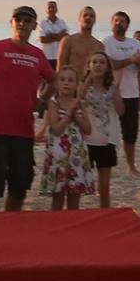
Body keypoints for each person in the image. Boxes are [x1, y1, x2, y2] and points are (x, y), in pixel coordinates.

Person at [0, 6, 55, 212]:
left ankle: (9, 228)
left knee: (19, 187)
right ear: (11, 23)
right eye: (18, 20)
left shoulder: (38, 55)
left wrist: (41, 99)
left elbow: (53, 79)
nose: (22, 24)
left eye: (27, 21)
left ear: (34, 26)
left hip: (24, 133)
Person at [38, 67, 95, 210]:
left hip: (76, 153)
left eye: (70, 80)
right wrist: (69, 113)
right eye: (62, 80)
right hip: (58, 153)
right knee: (57, 197)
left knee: (74, 197)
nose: (66, 83)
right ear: (56, 83)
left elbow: (88, 129)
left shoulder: (80, 103)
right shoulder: (53, 103)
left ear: (76, 84)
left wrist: (77, 114)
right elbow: (57, 129)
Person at [103, 11, 140, 174]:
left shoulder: (135, 43)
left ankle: (131, 164)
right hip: (112, 93)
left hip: (132, 93)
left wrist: (139, 61)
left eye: (122, 21)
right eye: (116, 20)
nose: (118, 23)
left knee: (130, 133)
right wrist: (130, 60)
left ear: (128, 25)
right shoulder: (106, 42)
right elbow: (109, 64)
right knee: (109, 130)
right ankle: (108, 164)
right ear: (111, 23)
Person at [82, 51, 124, 207]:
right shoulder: (84, 85)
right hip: (86, 139)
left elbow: (121, 111)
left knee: (104, 186)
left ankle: (105, 213)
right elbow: (78, 99)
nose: (98, 65)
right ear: (89, 66)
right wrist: (88, 79)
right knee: (80, 183)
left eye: (102, 62)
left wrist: (116, 90)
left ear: (107, 67)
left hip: (106, 140)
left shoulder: (112, 88)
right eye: (94, 62)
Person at [57, 6, 105, 78]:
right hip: (72, 85)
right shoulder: (68, 41)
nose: (88, 18)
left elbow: (102, 71)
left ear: (95, 20)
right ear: (79, 18)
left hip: (90, 86)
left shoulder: (99, 45)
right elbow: (60, 68)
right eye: (85, 15)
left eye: (91, 16)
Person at [38, 1, 69, 70]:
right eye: (49, 7)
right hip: (46, 57)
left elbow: (66, 38)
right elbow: (42, 40)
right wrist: (59, 35)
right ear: (46, 10)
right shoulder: (42, 23)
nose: (51, 9)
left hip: (59, 57)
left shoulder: (62, 22)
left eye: (53, 7)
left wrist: (51, 35)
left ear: (57, 9)